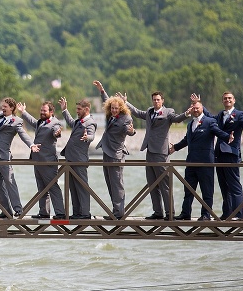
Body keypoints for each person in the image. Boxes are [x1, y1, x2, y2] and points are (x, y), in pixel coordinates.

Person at [0, 83, 40, 219]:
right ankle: (6, 211)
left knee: (10, 182)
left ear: (12, 108)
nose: (2, 108)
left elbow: (23, 134)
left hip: (4, 156)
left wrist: (31, 145)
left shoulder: (16, 121)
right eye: (2, 106)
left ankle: (18, 209)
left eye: (5, 107)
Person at [123, 91, 188, 220]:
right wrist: (126, 103)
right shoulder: (149, 111)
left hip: (161, 153)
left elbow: (177, 119)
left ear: (162, 100)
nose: (156, 102)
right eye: (154, 100)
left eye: (158, 100)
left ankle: (170, 214)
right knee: (152, 184)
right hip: (150, 151)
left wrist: (187, 114)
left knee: (165, 185)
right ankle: (158, 212)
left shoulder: (168, 112)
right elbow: (137, 112)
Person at [200, 91, 243, 220]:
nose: (227, 100)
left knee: (234, 185)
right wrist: (199, 104)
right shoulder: (221, 115)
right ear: (222, 101)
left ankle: (238, 214)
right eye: (225, 99)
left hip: (231, 154)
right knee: (223, 185)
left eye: (229, 98)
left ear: (234, 100)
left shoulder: (239, 115)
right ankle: (227, 213)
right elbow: (209, 116)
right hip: (219, 154)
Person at [170, 101, 232, 221]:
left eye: (197, 108)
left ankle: (206, 214)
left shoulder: (210, 122)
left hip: (205, 163)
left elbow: (218, 132)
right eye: (193, 108)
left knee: (206, 190)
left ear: (202, 108)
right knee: (188, 190)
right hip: (191, 162)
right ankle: (185, 213)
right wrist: (175, 148)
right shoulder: (190, 124)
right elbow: (186, 140)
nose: (195, 110)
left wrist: (227, 137)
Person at [93, 81, 136, 220]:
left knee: (117, 184)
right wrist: (102, 90)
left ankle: (119, 213)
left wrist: (133, 131)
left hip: (116, 155)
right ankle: (115, 210)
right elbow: (107, 101)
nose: (114, 110)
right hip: (107, 152)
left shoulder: (126, 118)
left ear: (121, 108)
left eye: (116, 108)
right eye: (112, 108)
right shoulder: (111, 115)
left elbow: (129, 131)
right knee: (110, 183)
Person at [18, 100, 65, 220]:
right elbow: (33, 121)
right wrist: (23, 112)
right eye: (41, 110)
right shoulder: (40, 122)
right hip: (38, 160)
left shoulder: (55, 123)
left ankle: (60, 213)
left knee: (52, 187)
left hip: (48, 161)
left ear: (51, 112)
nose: (42, 112)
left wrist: (58, 133)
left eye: (45, 111)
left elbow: (57, 132)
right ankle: (44, 212)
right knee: (42, 188)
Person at [58, 97, 97, 219]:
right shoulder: (78, 121)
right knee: (73, 188)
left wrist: (88, 137)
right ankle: (76, 213)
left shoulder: (90, 122)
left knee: (82, 188)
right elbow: (70, 122)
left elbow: (92, 135)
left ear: (86, 109)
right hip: (70, 160)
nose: (77, 111)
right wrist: (64, 110)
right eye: (77, 109)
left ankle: (85, 213)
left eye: (79, 109)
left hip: (79, 160)